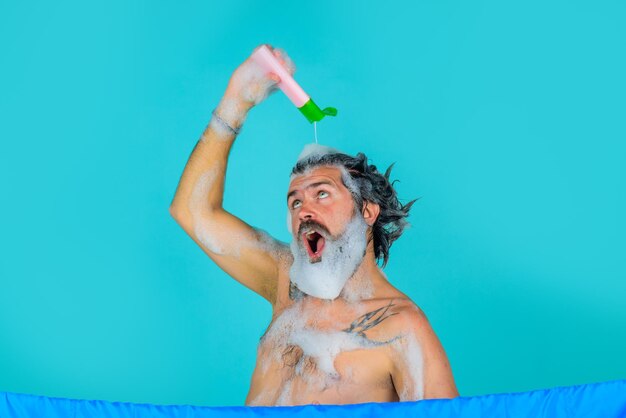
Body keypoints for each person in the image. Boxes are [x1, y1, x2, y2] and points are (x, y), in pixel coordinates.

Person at [169, 44, 459, 406]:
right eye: (295, 201)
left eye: (321, 194)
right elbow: (193, 211)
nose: (303, 209)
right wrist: (236, 101)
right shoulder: (285, 279)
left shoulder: (403, 328)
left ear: (367, 212)